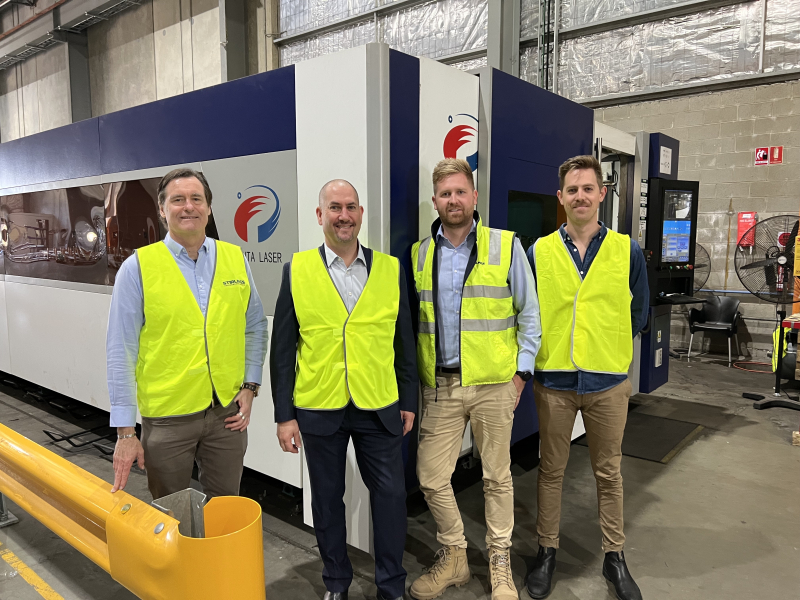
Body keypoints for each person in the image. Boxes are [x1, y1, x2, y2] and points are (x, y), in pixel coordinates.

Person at [270, 179, 417, 600]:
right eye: (334, 207)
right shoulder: (296, 270)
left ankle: (391, 585)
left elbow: (404, 341)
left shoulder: (389, 269)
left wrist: (408, 400)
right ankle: (337, 582)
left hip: (379, 405)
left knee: (390, 497)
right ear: (320, 216)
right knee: (327, 502)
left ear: (361, 213)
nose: (343, 215)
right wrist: (284, 414)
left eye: (351, 206)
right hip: (319, 407)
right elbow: (283, 349)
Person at [409, 158, 541, 600]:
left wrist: (521, 373)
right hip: (441, 387)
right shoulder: (419, 253)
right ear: (435, 201)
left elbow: (531, 313)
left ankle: (499, 560)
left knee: (497, 478)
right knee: (430, 476)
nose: (453, 200)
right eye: (445, 194)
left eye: (460, 192)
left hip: (494, 385)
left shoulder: (505, 246)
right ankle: (456, 556)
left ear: (474, 196)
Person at [524, 155, 648, 600]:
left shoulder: (627, 250)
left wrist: (609, 349)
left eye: (587, 188)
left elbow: (639, 312)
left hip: (608, 384)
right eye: (572, 190)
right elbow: (527, 312)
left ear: (602, 193)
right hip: (554, 381)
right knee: (551, 471)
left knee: (608, 472)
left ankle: (614, 557)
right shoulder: (538, 251)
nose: (580, 196)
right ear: (561, 197)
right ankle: (547, 551)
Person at [107, 168, 269, 500]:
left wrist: (251, 386)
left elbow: (254, 326)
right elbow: (120, 352)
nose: (188, 207)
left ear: (209, 208)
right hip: (167, 421)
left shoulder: (234, 258)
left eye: (196, 199)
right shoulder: (138, 268)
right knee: (171, 515)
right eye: (177, 200)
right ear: (162, 209)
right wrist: (125, 433)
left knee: (227, 509)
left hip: (226, 415)